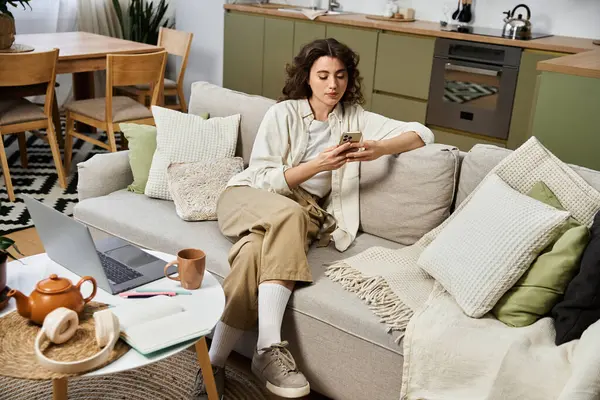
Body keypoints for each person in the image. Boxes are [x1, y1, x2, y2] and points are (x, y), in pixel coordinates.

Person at [194, 38, 434, 399]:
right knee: (288, 212)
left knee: (250, 257)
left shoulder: (355, 118)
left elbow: (423, 133)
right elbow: (262, 178)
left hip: (299, 215)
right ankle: (268, 347)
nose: (332, 85)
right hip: (248, 197)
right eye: (323, 75)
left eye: (340, 76)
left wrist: (379, 149)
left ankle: (212, 366)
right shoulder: (284, 114)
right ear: (307, 77)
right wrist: (317, 165)